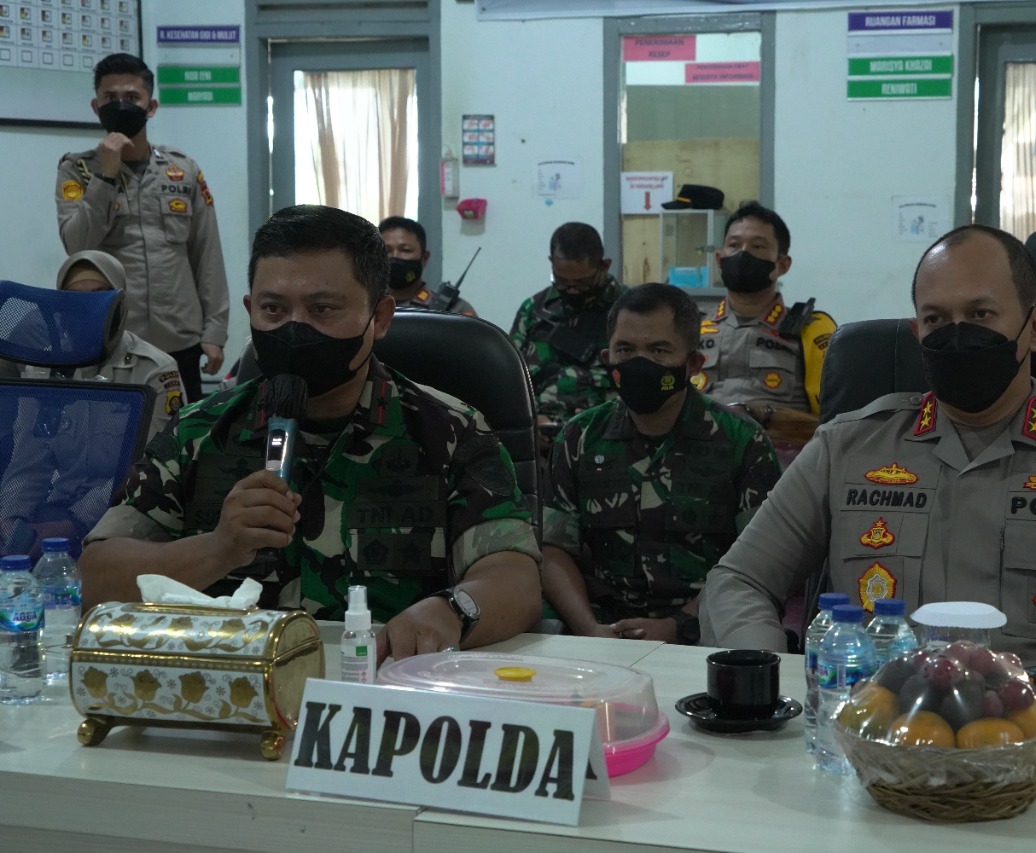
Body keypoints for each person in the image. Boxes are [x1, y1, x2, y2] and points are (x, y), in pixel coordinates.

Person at [701, 224, 1036, 718]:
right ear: (917, 332)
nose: (957, 335)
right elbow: (740, 579)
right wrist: (766, 677)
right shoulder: (846, 447)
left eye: (980, 314)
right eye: (936, 319)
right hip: (877, 731)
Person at [79, 205, 541, 659]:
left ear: (380, 317)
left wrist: (452, 611)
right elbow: (95, 579)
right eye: (273, 309)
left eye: (323, 309)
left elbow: (514, 577)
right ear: (250, 310)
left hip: (385, 679)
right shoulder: (199, 432)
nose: (295, 329)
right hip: (235, 682)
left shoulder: (451, 432)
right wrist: (218, 548)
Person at [541, 283, 780, 644]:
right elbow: (553, 549)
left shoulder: (743, 441)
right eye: (625, 349)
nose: (639, 363)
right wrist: (588, 628)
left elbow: (757, 563)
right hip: (599, 629)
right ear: (607, 358)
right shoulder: (579, 437)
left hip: (707, 630)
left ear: (693, 364)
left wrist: (678, 625)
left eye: (659, 350)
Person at [55, 53, 229, 402]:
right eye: (110, 97)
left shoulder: (183, 170)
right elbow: (77, 245)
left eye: (132, 97)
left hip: (179, 337)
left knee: (179, 431)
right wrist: (105, 175)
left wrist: (215, 330)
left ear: (151, 107)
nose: (121, 105)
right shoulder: (77, 170)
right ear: (96, 106)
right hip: (111, 341)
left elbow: (206, 251)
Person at [0, 250, 186, 554]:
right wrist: (11, 519)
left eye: (100, 295)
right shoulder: (45, 367)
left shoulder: (154, 370)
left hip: (133, 510)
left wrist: (73, 524)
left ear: (119, 303)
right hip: (59, 508)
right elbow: (29, 460)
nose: (88, 308)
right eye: (75, 298)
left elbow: (151, 469)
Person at [692, 201, 836, 449]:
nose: (743, 253)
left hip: (783, 460)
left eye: (757, 246)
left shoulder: (811, 330)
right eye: (734, 245)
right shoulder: (692, 328)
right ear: (719, 258)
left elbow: (837, 421)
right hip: (699, 456)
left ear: (782, 264)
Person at [509, 222, 625, 436]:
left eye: (582, 283)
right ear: (552, 262)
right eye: (561, 281)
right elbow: (510, 379)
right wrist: (529, 422)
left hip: (606, 434)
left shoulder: (629, 310)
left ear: (604, 266)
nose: (571, 290)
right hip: (539, 434)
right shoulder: (533, 310)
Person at [378, 215, 477, 316]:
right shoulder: (369, 306)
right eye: (386, 250)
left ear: (424, 258)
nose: (395, 256)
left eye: (405, 250)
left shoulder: (456, 310)